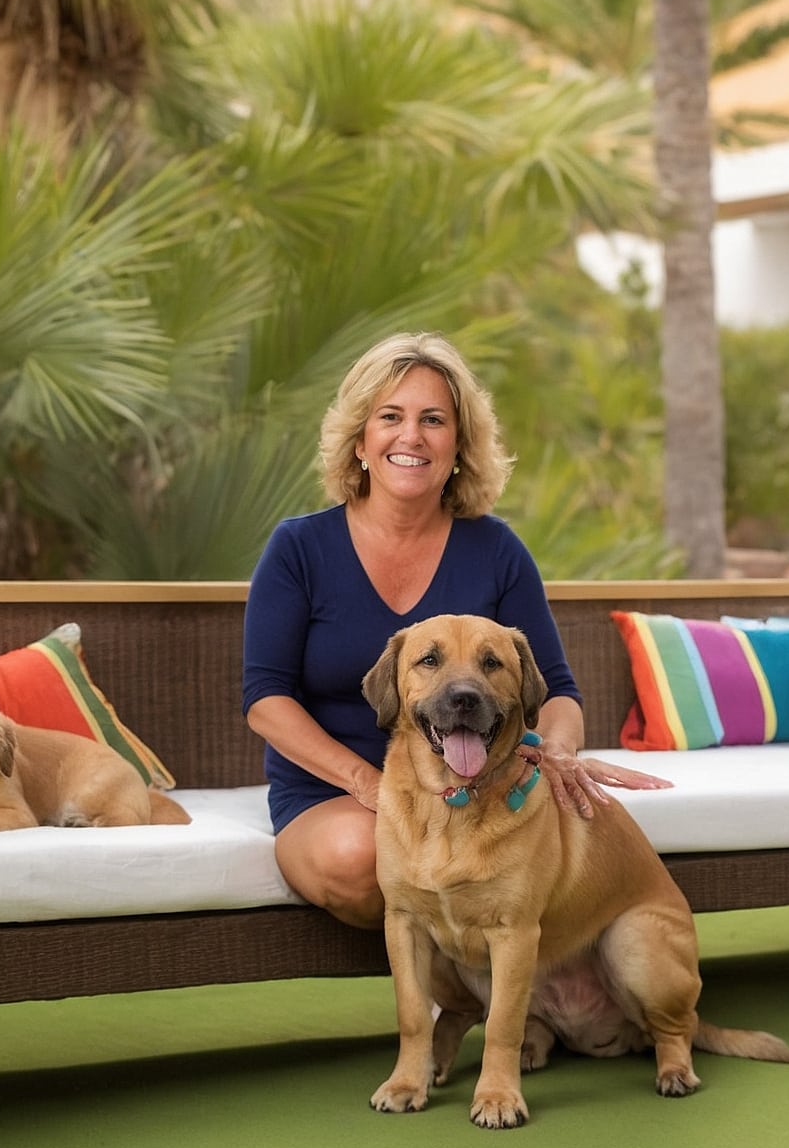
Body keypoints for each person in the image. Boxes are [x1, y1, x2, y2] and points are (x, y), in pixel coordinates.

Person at [242, 331, 669, 928]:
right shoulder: (299, 547)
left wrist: (559, 752)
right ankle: (458, 991)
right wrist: (372, 786)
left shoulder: (498, 550)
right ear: (361, 440)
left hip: (479, 797)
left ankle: (504, 998)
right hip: (337, 792)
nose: (410, 436)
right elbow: (265, 700)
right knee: (359, 861)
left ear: (459, 445)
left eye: (433, 420)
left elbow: (557, 691)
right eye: (390, 416)